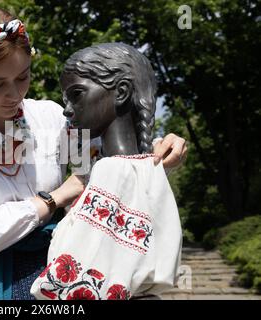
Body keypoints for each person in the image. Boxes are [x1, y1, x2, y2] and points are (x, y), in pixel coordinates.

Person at [0, 7, 188, 300]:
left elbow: (110, 158)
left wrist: (159, 148)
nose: (14, 94)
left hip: (52, 274)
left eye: (23, 77)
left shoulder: (48, 117)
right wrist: (54, 198)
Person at [31, 43, 182, 300]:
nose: (67, 109)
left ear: (121, 91)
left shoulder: (112, 171)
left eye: (76, 94)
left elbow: (76, 278)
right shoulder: (143, 169)